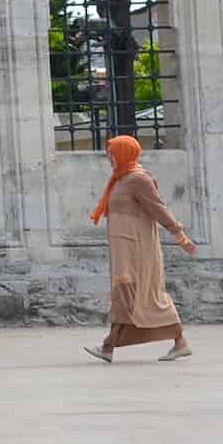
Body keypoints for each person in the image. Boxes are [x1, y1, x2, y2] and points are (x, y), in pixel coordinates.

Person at [82, 134, 195, 364]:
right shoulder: (120, 179)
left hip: (137, 248)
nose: (109, 157)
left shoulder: (139, 179)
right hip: (123, 248)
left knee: (134, 295)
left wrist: (179, 235)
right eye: (108, 153)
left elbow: (158, 208)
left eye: (112, 153)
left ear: (125, 152)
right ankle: (177, 341)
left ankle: (108, 346)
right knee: (129, 297)